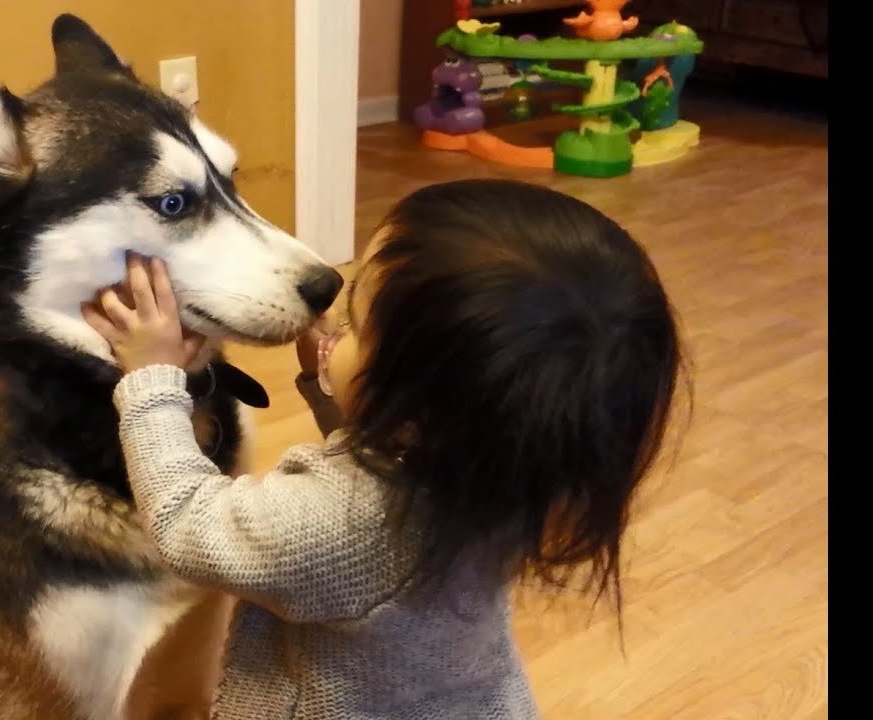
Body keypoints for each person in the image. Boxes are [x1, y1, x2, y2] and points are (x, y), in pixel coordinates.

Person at [81, 178, 687, 719]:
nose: (335, 322)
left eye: (358, 322)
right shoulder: (517, 467)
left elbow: (189, 524)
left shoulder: (334, 526)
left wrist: (152, 380)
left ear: (415, 406)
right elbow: (383, 470)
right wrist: (332, 396)